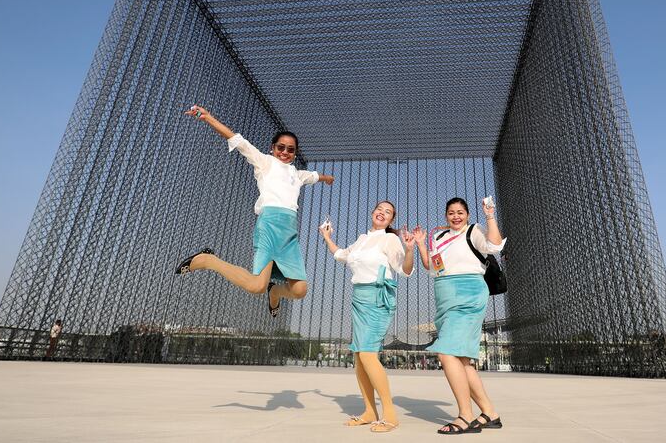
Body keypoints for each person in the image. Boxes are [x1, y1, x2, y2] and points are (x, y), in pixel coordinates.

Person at [174, 105, 334, 316]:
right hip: (269, 225)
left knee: (300, 290)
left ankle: (275, 291)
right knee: (257, 286)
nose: (285, 152)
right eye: (281, 147)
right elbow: (239, 141)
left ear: (295, 154)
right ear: (272, 148)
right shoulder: (265, 163)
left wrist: (327, 179)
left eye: (290, 149)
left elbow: (314, 176)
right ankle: (208, 260)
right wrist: (208, 118)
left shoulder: (298, 174)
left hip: (289, 233)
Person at [319, 201, 414, 433]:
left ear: (391, 221)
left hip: (378, 298)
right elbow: (342, 255)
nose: (383, 213)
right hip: (358, 299)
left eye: (388, 212)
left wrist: (410, 249)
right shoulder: (362, 239)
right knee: (359, 357)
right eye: (380, 209)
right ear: (372, 213)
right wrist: (326, 236)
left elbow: (405, 270)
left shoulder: (390, 239)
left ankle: (390, 414)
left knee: (369, 354)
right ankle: (369, 411)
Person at [412, 197, 506, 434]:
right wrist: (422, 244)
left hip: (469, 294)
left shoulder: (474, 231)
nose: (456, 216)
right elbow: (433, 267)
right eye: (451, 212)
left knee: (446, 353)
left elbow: (494, 245)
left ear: (467, 214)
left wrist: (490, 216)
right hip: (445, 297)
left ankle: (465, 415)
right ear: (446, 215)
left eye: (460, 212)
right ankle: (490, 413)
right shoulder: (439, 237)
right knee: (462, 360)